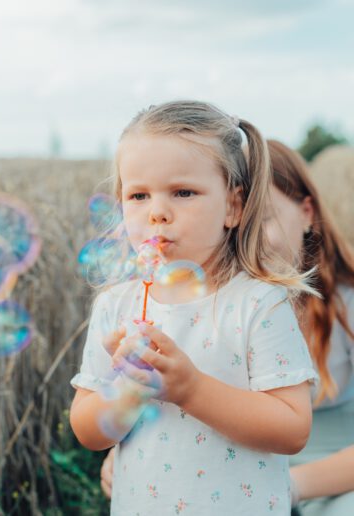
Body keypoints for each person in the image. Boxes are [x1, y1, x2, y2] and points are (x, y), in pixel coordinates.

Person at [70, 101, 317, 515]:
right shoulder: (117, 306)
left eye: (183, 192)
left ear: (233, 207)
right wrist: (128, 388)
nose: (158, 212)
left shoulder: (257, 303)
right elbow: (88, 430)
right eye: (138, 195)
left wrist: (191, 390)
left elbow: (293, 428)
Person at [264, 140, 354, 516]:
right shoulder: (211, 308)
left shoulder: (345, 303)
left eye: (263, 219)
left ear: (306, 213)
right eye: (231, 223)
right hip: (241, 474)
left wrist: (289, 488)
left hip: (338, 476)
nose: (242, 241)